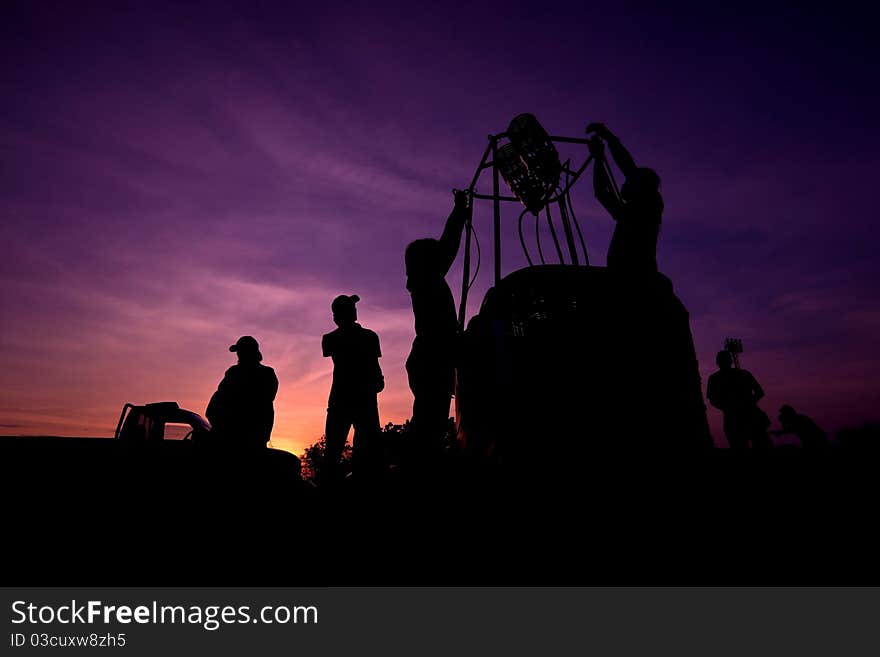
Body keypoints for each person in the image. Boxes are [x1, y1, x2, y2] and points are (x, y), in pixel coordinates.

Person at [405, 189, 471, 463]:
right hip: (431, 360)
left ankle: (425, 462)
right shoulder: (425, 281)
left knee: (431, 419)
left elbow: (446, 248)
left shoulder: (426, 281)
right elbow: (448, 246)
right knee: (429, 422)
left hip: (431, 360)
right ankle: (423, 466)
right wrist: (458, 212)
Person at [321, 294, 384, 478]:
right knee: (347, 450)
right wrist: (378, 380)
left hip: (348, 399)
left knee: (339, 450)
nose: (354, 311)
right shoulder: (368, 336)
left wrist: (377, 380)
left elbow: (374, 365)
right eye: (351, 308)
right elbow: (374, 365)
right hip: (359, 398)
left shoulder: (331, 339)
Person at [586, 122, 662, 274]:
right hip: (627, 271)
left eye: (629, 181)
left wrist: (599, 156)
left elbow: (602, 191)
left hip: (634, 274)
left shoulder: (645, 207)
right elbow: (602, 192)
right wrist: (602, 151)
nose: (624, 183)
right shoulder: (636, 209)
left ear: (641, 188)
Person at [206, 336, 278, 448]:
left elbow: (262, 402)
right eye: (238, 351)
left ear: (250, 352)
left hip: (252, 437)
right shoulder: (233, 373)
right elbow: (216, 403)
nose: (238, 354)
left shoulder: (266, 374)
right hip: (233, 436)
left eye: (241, 351)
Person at [706, 350, 772, 448]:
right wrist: (749, 404)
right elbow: (759, 392)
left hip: (737, 419)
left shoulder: (715, 378)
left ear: (717, 362)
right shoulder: (743, 374)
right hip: (746, 417)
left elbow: (712, 400)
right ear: (731, 361)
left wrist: (728, 407)